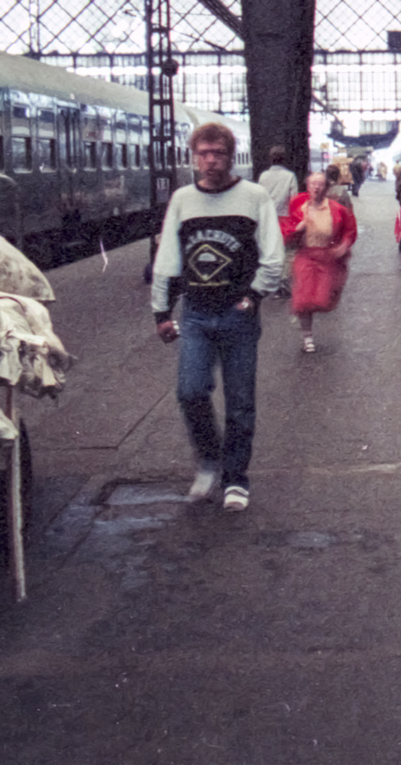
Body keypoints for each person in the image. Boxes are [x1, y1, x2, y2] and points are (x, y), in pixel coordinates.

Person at [151, 121, 281, 513]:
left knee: (240, 402)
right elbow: (168, 259)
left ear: (230, 155)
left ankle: (235, 478)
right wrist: (161, 310)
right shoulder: (182, 200)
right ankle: (210, 458)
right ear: (194, 157)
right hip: (195, 315)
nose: (210, 161)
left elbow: (272, 254)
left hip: (238, 314)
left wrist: (255, 294)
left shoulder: (254, 196)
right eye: (203, 153)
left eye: (218, 153)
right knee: (190, 391)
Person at [282, 167, 357, 353]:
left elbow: (350, 229)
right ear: (307, 186)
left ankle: (309, 321)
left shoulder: (337, 209)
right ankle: (307, 337)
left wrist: (344, 245)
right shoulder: (297, 206)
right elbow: (284, 231)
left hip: (327, 257)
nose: (316, 188)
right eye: (313, 184)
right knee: (303, 300)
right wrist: (296, 230)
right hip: (305, 256)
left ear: (326, 188)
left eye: (320, 184)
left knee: (322, 299)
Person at [257, 146, 299, 298]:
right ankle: (282, 283)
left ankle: (270, 285)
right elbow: (294, 199)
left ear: (271, 158)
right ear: (284, 158)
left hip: (268, 219)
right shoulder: (290, 176)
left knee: (270, 252)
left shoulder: (263, 176)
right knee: (287, 252)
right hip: (284, 218)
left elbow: (260, 198)